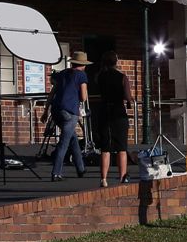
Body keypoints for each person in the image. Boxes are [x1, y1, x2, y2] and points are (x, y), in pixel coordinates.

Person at [92, 51, 133, 187]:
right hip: (118, 112)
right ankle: (122, 177)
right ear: (116, 62)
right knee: (122, 147)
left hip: (104, 111)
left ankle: (103, 179)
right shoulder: (122, 77)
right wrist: (129, 100)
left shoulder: (99, 76)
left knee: (105, 148)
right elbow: (127, 96)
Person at [48, 51, 90, 181]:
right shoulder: (81, 75)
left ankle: (81, 168)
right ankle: (56, 172)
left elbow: (52, 92)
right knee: (64, 143)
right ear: (83, 65)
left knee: (73, 139)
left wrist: (45, 110)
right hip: (70, 111)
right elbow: (83, 97)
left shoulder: (63, 73)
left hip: (56, 110)